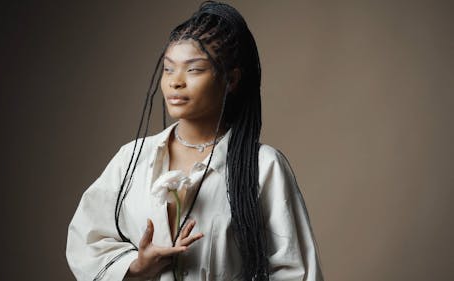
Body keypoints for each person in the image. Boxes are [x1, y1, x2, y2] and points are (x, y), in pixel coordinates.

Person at [66, 1, 324, 280]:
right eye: (168, 69)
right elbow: (86, 239)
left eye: (194, 69)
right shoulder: (132, 158)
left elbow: (296, 271)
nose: (175, 81)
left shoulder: (263, 167)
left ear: (231, 80)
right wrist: (137, 266)